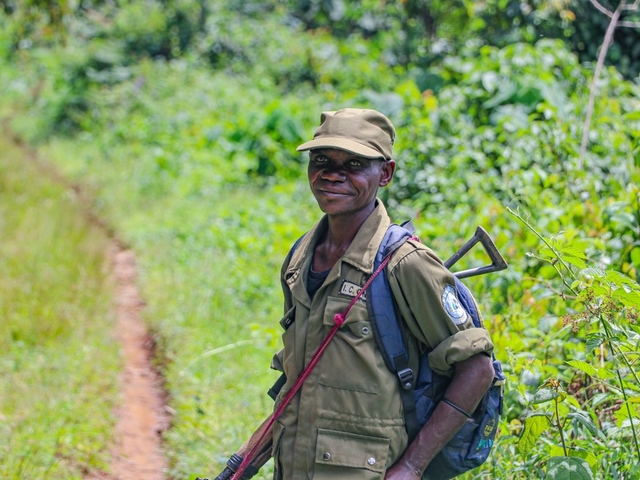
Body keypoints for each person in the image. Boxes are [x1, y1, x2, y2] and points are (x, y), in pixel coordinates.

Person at [228, 108, 496, 480]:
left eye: (354, 163)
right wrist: (246, 461)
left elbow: (478, 369)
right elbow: (299, 382)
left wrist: (413, 466)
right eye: (321, 160)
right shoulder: (301, 257)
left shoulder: (406, 264)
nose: (332, 174)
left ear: (385, 173)